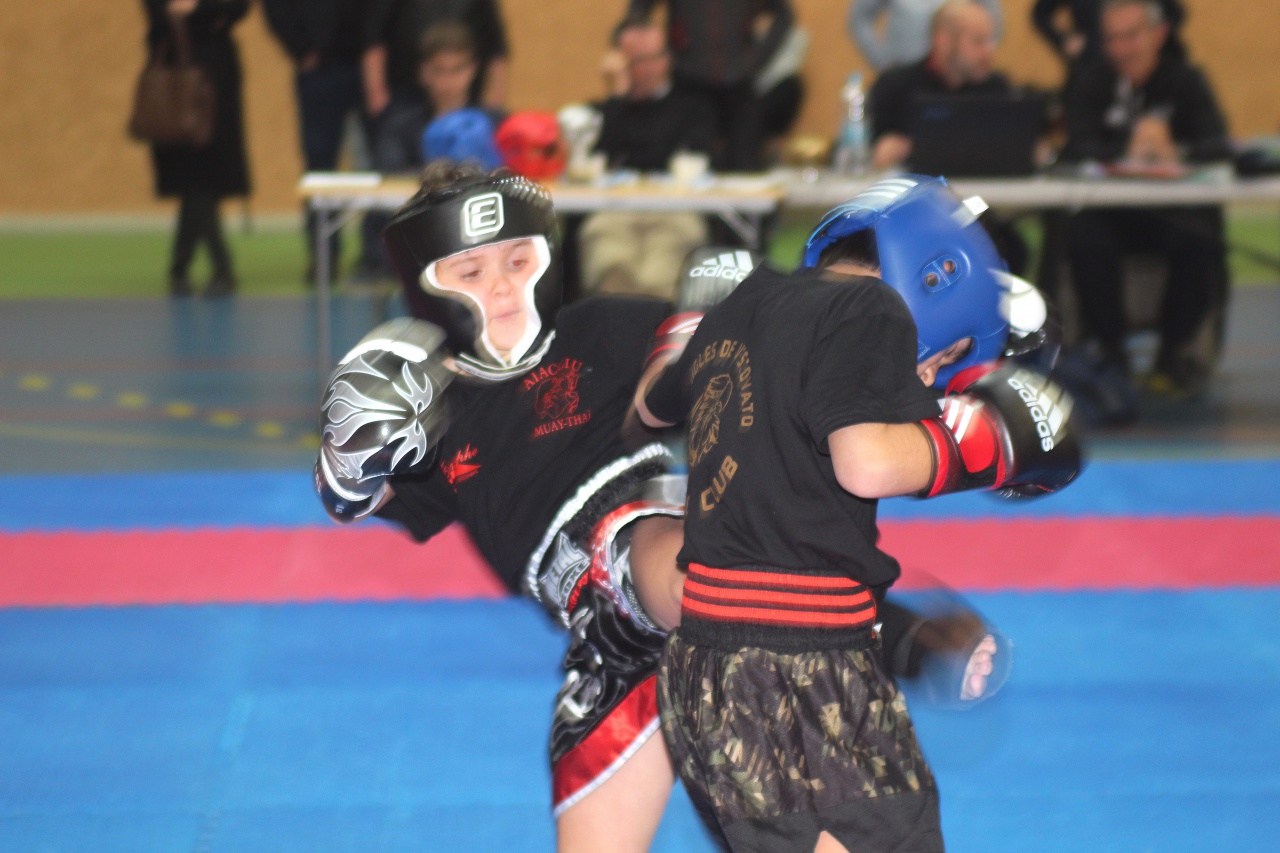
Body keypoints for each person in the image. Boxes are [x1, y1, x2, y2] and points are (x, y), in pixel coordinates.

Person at [313, 164, 1033, 852]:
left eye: (517, 260)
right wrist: (350, 451)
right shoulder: (434, 409)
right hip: (604, 640)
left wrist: (909, 322)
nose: (501, 287)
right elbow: (368, 500)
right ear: (425, 285)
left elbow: (767, 336)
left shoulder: (604, 328)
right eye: (470, 272)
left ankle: (895, 629)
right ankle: (891, 630)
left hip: (676, 538)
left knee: (663, 544)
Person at [635, 176, 1081, 851]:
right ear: (931, 280)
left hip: (705, 672)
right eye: (946, 355)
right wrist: (992, 440)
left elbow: (652, 405)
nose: (928, 379)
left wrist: (903, 635)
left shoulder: (745, 301)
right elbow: (865, 463)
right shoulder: (872, 307)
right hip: (800, 670)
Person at [1059, 0, 1231, 414]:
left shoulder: (1185, 81)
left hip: (1171, 212)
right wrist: (1127, 148)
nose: (1121, 48)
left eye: (1131, 36)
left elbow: (1216, 142)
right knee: (1082, 236)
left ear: (1158, 34)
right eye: (1112, 39)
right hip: (1112, 212)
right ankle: (1110, 350)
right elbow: (1075, 145)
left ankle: (1173, 353)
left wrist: (1174, 150)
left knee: (1200, 237)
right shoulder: (1091, 81)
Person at [866, 1, 1030, 275]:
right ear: (943, 41)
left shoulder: (997, 90)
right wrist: (890, 149)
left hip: (976, 209)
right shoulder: (895, 86)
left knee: (1012, 248)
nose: (988, 51)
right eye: (978, 42)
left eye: (990, 41)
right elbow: (871, 156)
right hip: (910, 216)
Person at [580, 20, 717, 298]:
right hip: (615, 209)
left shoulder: (694, 108)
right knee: (610, 263)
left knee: (661, 274)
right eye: (634, 60)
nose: (646, 68)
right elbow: (596, 161)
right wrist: (618, 98)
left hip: (674, 209)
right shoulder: (604, 113)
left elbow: (678, 157)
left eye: (653, 58)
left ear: (668, 59)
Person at [141, 0, 249, 298]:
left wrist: (198, 7)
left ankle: (183, 266)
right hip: (174, 84)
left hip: (215, 80)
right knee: (193, 177)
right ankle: (219, 265)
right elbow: (159, 14)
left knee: (204, 177)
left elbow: (238, 7)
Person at [262, 0, 371, 286]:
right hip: (319, 66)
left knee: (376, 162)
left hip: (368, 61)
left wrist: (377, 50)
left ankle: (377, 254)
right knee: (319, 165)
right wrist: (300, 48)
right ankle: (323, 255)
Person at [623, 0, 795, 172]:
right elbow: (639, 9)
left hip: (738, 83)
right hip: (688, 83)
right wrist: (653, 48)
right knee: (687, 164)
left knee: (744, 165)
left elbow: (783, 14)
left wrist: (756, 59)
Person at [372, 22, 501, 174]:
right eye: (440, 70)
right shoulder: (399, 129)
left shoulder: (496, 125)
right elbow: (390, 177)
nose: (448, 80)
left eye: (457, 69)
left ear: (472, 70)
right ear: (424, 71)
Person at [848, 0, 1002, 72]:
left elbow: (994, 21)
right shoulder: (891, 86)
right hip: (903, 75)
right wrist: (882, 63)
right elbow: (859, 18)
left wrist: (979, 57)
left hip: (957, 81)